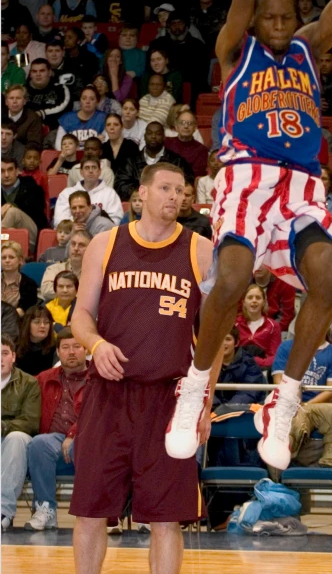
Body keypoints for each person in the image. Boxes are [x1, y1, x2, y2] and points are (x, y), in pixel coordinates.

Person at [169, 0, 332, 470]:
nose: (279, 23)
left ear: (298, 18)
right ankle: (194, 386)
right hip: (246, 178)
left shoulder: (309, 48)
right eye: (270, 16)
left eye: (288, 16)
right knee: (230, 280)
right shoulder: (237, 51)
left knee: (329, 277)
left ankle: (284, 396)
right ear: (256, 20)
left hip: (303, 183)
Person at [69, 162, 215, 574]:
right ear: (143, 194)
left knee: (167, 518)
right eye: (166, 188)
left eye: (181, 191)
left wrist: (205, 402)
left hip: (170, 399)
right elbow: (81, 315)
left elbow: (214, 337)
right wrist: (95, 345)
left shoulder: (200, 249)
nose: (175, 197)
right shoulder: (106, 243)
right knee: (90, 510)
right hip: (108, 397)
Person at [24, 327, 88, 531]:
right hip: (53, 448)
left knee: (90, 443)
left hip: (86, 443)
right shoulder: (43, 379)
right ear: (58, 352)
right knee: (39, 443)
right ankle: (46, 510)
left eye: (77, 347)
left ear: (86, 349)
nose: (71, 352)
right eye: (66, 347)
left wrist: (73, 434)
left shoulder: (100, 378)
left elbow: (101, 414)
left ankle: (94, 513)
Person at [1, 333, 41, 532]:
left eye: (4, 353)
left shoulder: (29, 383)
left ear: (13, 357)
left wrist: (4, 427)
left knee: (15, 439)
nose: (0, 359)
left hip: (16, 437)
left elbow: (31, 422)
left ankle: (2, 511)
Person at [115, 122, 192, 201]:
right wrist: (143, 194)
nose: (153, 136)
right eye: (149, 133)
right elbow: (121, 186)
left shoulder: (176, 162)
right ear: (144, 137)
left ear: (164, 137)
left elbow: (185, 185)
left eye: (158, 134)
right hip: (138, 205)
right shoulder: (131, 162)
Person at [272, 334, 332, 404]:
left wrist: (306, 406)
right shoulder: (286, 347)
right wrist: (293, 404)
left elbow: (331, 391)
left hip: (321, 406)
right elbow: (278, 381)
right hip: (286, 402)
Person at [54, 157, 123, 226]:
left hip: (101, 233)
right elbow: (59, 221)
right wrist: (77, 226)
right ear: (81, 172)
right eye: (87, 168)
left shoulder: (110, 193)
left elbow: (116, 221)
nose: (90, 171)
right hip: (73, 233)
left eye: (94, 167)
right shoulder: (67, 193)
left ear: (99, 172)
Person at [1, 158, 47, 253]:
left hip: (30, 234)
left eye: (10, 170)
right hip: (7, 237)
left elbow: (37, 211)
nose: (6, 175)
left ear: (18, 171)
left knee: (12, 212)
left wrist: (11, 205)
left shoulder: (31, 185)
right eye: (2, 171)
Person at [213, 327, 265, 408]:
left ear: (236, 343)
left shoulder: (249, 364)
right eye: (220, 339)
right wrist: (215, 407)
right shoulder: (206, 363)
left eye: (228, 339)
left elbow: (249, 392)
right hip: (212, 411)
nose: (223, 343)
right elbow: (203, 389)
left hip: (240, 412)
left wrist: (227, 409)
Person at [235, 284, 282, 370]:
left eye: (258, 298)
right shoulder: (235, 324)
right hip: (237, 367)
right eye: (250, 298)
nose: (254, 301)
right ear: (244, 302)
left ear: (264, 302)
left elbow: (274, 357)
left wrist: (254, 361)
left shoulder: (273, 326)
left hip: (263, 369)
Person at [40, 231, 91, 302]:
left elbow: (94, 294)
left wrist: (62, 290)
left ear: (91, 249)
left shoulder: (96, 274)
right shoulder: (54, 269)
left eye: (81, 245)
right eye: (73, 244)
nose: (76, 248)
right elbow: (46, 290)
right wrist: (77, 292)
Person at [25, 57, 71, 133]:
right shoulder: (22, 90)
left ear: (49, 72)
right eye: (34, 71)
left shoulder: (60, 88)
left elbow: (64, 106)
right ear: (30, 74)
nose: (38, 74)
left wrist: (41, 113)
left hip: (54, 130)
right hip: (27, 129)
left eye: (42, 71)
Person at [253, 265, 296, 334]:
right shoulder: (245, 281)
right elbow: (239, 312)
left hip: (276, 329)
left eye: (262, 262)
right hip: (249, 328)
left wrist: (268, 331)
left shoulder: (284, 282)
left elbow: (286, 316)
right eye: (256, 261)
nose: (258, 266)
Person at [165, 109, 209, 177]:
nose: (186, 126)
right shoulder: (167, 143)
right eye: (182, 123)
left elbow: (196, 175)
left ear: (195, 127)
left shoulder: (201, 150)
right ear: (176, 126)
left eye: (190, 123)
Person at [15, 305, 56, 376]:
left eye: (46, 322)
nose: (43, 326)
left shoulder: (55, 348)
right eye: (37, 322)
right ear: (27, 324)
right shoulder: (15, 346)